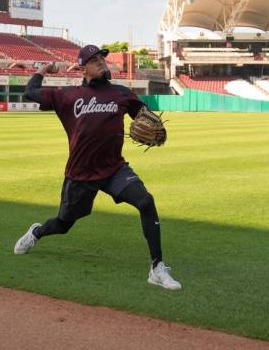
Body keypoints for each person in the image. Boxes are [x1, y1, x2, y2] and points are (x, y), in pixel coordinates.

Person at [13, 45, 181, 290]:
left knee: (146, 202)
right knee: (63, 224)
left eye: (102, 58)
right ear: (83, 68)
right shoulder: (68, 95)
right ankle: (37, 232)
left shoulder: (121, 94)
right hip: (80, 174)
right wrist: (42, 70)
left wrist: (158, 131)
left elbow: (147, 118)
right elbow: (30, 93)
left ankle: (157, 268)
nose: (101, 62)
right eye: (93, 60)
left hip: (114, 169)